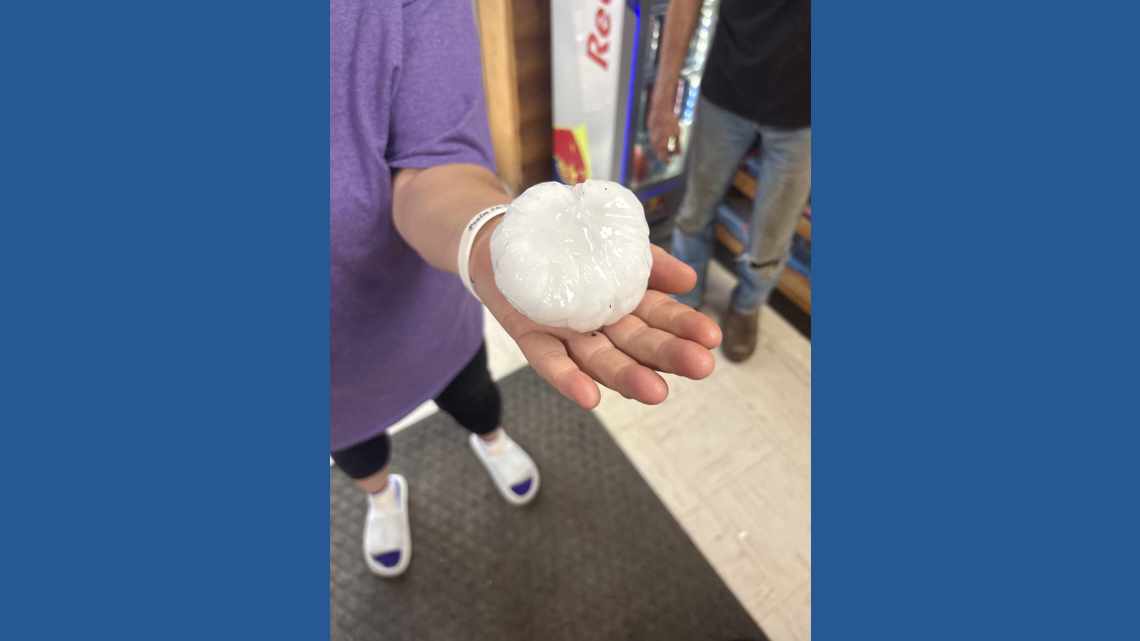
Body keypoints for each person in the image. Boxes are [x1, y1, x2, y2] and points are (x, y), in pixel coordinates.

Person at [331, 0, 723, 577]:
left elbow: (434, 160)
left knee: (473, 394)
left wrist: (485, 239)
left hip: (425, 306)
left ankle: (491, 439)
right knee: (354, 444)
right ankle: (381, 496)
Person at [648, 0, 811, 362]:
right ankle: (685, 294)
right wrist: (664, 95)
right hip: (727, 87)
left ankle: (748, 305)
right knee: (694, 210)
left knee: (773, 233)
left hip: (804, 116)